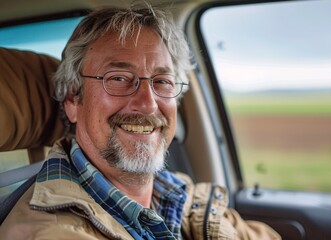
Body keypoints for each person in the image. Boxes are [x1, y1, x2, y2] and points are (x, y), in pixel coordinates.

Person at [0, 6, 281, 240]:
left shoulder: (178, 193)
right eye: (119, 79)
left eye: (162, 82)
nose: (148, 104)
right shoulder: (50, 231)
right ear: (73, 100)